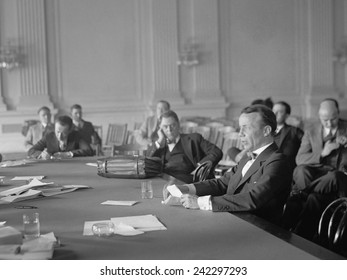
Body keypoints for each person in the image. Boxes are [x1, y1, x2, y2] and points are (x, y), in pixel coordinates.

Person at [164, 104, 292, 225]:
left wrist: (200, 202)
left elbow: (252, 199)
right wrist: (187, 188)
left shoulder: (278, 161)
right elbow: (222, 183)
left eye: (246, 127)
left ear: (266, 131)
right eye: (240, 128)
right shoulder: (247, 157)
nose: (240, 133)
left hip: (259, 230)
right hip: (233, 219)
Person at [282, 98, 347, 239]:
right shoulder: (311, 131)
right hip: (317, 177)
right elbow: (300, 159)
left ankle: (301, 193)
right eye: (325, 120)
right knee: (300, 171)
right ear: (319, 117)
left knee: (335, 176)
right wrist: (323, 152)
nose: (329, 123)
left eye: (333, 119)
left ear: (338, 113)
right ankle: (302, 236)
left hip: (338, 178)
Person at [146, 110, 223, 184]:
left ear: (178, 125)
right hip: (164, 182)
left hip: (188, 183)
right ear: (160, 128)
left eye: (172, 125)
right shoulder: (159, 144)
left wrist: (200, 167)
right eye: (165, 126)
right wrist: (159, 141)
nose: (169, 130)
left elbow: (216, 152)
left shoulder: (194, 139)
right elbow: (147, 162)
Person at [28, 115, 94, 159]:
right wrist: (42, 154)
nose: (59, 136)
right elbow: (31, 151)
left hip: (73, 168)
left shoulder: (76, 135)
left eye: (64, 133)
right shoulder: (49, 136)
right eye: (57, 131)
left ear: (70, 130)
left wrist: (68, 154)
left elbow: (88, 151)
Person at [272, 101, 304, 170]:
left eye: (279, 112)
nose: (275, 114)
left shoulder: (295, 131)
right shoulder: (265, 131)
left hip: (288, 169)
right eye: (273, 111)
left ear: (287, 116)